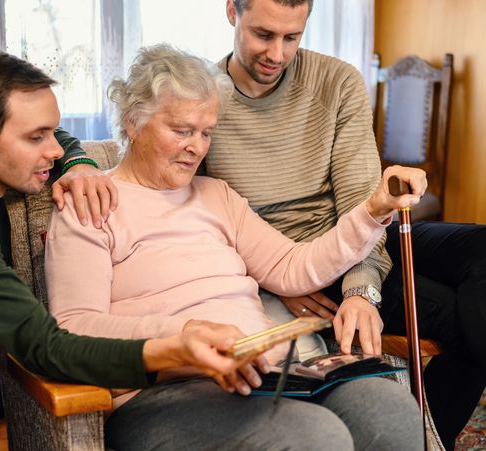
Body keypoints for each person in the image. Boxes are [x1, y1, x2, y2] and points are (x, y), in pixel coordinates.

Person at [45, 43, 424, 450]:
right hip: (165, 392)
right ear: (132, 123)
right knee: (314, 437)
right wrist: (184, 335)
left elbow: (293, 268)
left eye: (206, 132)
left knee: (391, 410)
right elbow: (75, 328)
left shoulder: (217, 195)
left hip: (275, 373)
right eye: (181, 130)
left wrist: (373, 208)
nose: (197, 147)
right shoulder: (90, 205)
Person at [0, 49, 265, 450]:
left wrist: (80, 164)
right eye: (36, 138)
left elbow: (62, 143)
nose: (53, 149)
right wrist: (172, 348)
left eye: (52, 132)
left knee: (11, 374)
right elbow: (44, 345)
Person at [202, 0, 486, 448]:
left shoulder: (336, 81)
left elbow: (361, 204)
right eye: (263, 34)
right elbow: (199, 221)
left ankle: (423, 435)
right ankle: (420, 439)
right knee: (455, 316)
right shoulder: (203, 99)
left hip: (358, 233)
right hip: (295, 261)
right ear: (231, 13)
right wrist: (279, 284)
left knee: (480, 245)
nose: (278, 53)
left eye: (292, 37)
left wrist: (361, 290)